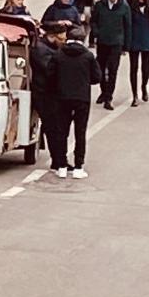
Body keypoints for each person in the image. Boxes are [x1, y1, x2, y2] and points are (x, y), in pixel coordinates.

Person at [50, 25, 102, 180]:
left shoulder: (58, 55)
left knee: (62, 132)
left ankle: (61, 166)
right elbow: (96, 77)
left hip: (62, 98)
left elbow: (50, 75)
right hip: (81, 99)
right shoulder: (88, 56)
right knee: (80, 133)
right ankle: (79, 166)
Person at [30, 21, 67, 169]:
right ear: (52, 37)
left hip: (51, 92)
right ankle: (57, 160)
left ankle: (59, 159)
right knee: (53, 127)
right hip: (44, 93)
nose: (63, 42)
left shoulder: (50, 49)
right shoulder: (41, 50)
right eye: (61, 39)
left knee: (57, 127)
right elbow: (50, 70)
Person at [91, 0, 132, 110]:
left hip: (116, 43)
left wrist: (126, 46)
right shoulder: (99, 5)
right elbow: (93, 21)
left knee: (113, 70)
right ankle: (103, 91)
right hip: (103, 42)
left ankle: (109, 97)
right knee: (101, 69)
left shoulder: (124, 7)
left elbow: (128, 26)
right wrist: (96, 32)